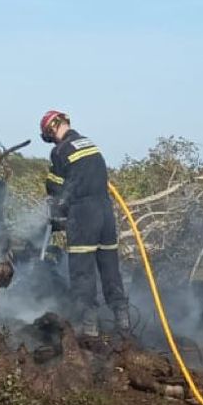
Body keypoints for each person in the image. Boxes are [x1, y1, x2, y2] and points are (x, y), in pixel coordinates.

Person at [40, 110, 129, 336]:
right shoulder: (89, 144)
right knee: (109, 266)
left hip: (83, 213)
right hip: (105, 212)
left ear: (51, 131)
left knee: (82, 270)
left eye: (49, 137)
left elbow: (58, 187)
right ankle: (123, 319)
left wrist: (57, 211)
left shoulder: (60, 151)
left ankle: (88, 327)